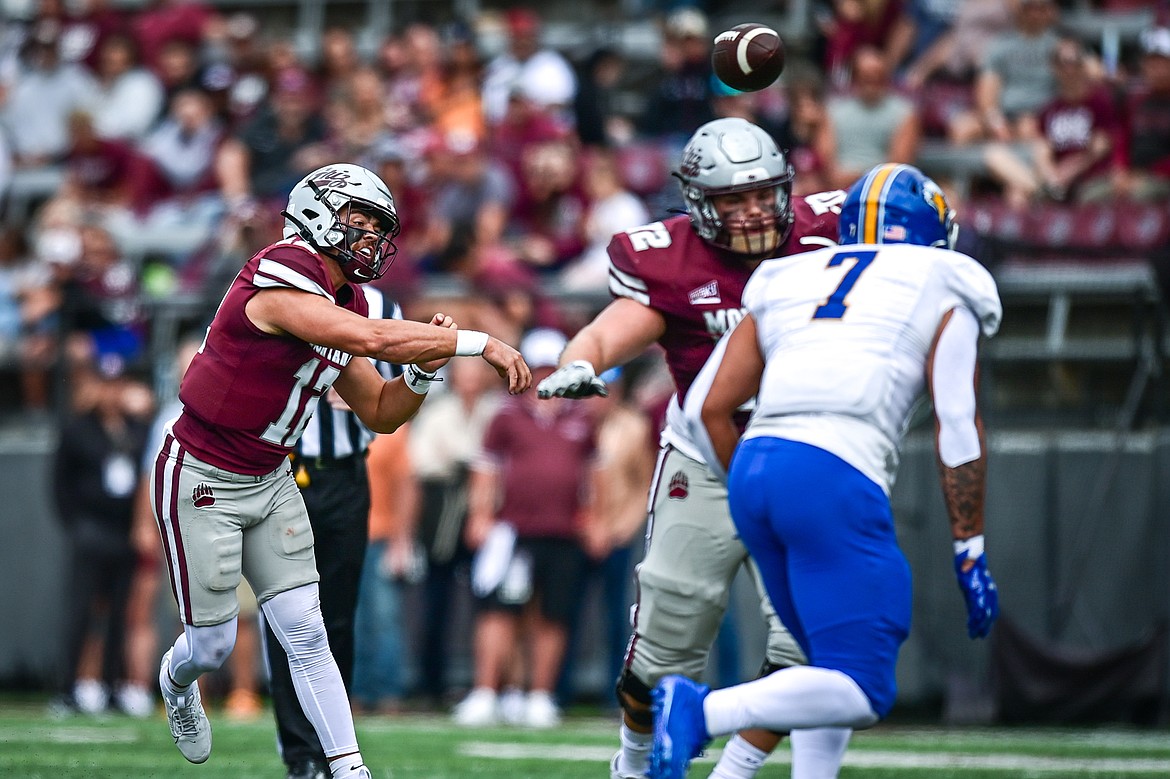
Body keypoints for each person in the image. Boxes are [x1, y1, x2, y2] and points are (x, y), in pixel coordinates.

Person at [149, 162, 529, 776]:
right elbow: (372, 339)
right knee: (213, 644)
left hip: (272, 477)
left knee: (308, 631)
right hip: (203, 473)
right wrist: (476, 343)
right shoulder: (281, 269)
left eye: (381, 226)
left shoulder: (343, 297)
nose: (374, 237)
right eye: (363, 219)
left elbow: (380, 411)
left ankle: (348, 770)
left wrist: (424, 371)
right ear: (320, 212)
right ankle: (176, 679)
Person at [651, 163, 1003, 779]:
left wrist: (753, 490)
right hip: (832, 469)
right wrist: (970, 547)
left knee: (825, 662)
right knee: (864, 686)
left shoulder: (790, 276)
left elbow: (706, 407)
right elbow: (957, 424)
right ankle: (702, 710)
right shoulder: (948, 280)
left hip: (757, 464)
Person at [536, 117, 849, 779]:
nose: (753, 211)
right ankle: (633, 763)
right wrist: (578, 360)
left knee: (808, 640)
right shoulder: (670, 259)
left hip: (805, 453)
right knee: (666, 642)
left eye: (764, 194)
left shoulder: (832, 228)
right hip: (707, 456)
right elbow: (610, 330)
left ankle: (733, 770)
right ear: (699, 201)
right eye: (733, 199)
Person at [263, 283, 406, 779]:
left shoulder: (382, 307)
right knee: (287, 616)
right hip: (284, 471)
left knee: (338, 614)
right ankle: (300, 754)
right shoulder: (283, 292)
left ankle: (332, 750)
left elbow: (392, 401)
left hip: (346, 472)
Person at [454, 328, 602, 729]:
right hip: (513, 530)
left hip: (563, 530)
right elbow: (486, 470)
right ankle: (486, 693)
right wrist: (481, 516)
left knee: (552, 616)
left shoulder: (582, 416)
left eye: (550, 368)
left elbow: (593, 473)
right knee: (498, 612)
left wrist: (595, 518)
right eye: (537, 368)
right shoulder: (506, 413)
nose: (543, 376)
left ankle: (539, 696)